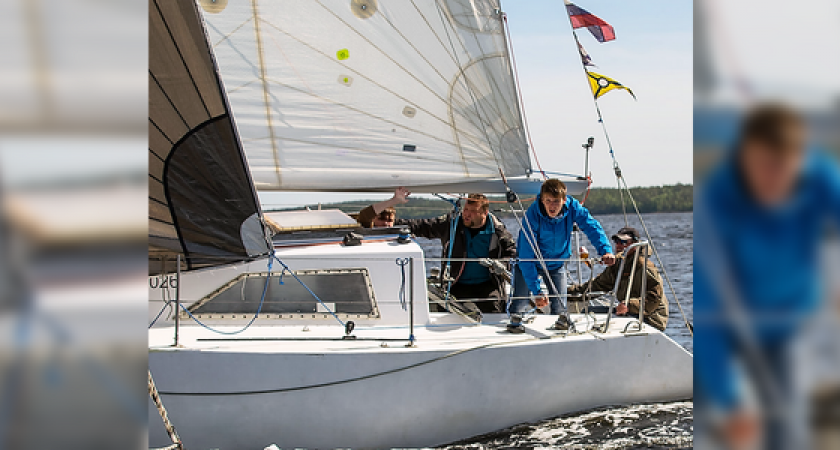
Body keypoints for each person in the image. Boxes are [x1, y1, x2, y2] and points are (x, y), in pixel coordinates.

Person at [694, 103, 840, 450]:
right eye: (763, 166)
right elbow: (707, 308)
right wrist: (730, 404)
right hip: (727, 327)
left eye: (783, 168)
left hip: (791, 322)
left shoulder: (818, 175)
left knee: (787, 433)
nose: (773, 178)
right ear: (744, 158)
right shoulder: (715, 204)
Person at [360, 187, 516, 314]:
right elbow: (422, 226)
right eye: (466, 209)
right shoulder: (451, 224)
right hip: (456, 283)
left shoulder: (497, 230)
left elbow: (512, 253)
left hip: (487, 284)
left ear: (484, 213)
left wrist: (501, 264)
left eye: (472, 211)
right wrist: (391, 224)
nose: (466, 214)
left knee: (495, 314)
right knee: (448, 315)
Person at [511, 178, 615, 330]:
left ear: (564, 200)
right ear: (541, 199)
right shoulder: (532, 216)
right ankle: (514, 325)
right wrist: (537, 291)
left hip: (556, 264)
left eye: (556, 201)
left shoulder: (573, 207)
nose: (552, 206)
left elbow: (591, 226)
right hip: (530, 262)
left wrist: (605, 250)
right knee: (519, 305)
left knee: (560, 307)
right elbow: (526, 256)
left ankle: (558, 334)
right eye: (548, 201)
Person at [567, 227, 668, 331]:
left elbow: (654, 298)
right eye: (617, 241)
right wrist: (564, 294)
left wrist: (629, 305)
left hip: (650, 318)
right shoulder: (618, 264)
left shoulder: (644, 266)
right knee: (587, 312)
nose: (619, 245)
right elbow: (596, 287)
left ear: (635, 244)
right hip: (628, 312)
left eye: (624, 242)